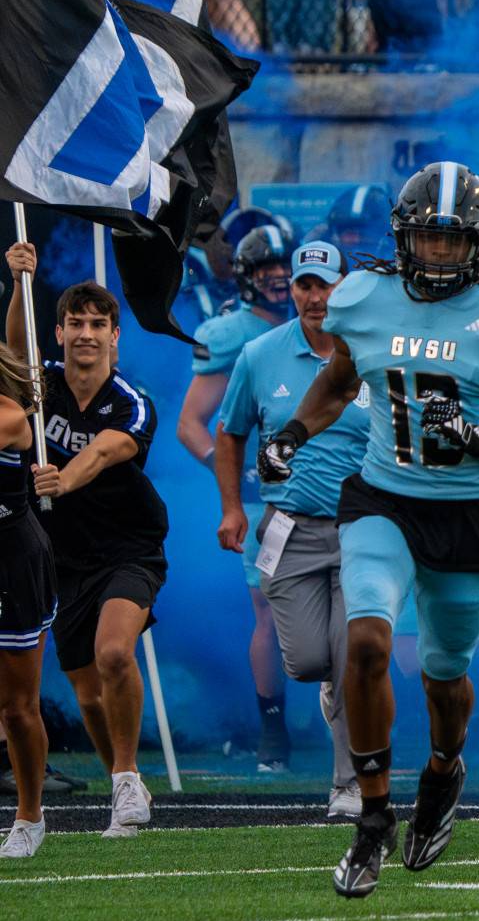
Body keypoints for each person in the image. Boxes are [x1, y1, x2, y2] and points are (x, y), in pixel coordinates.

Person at [258, 162, 479, 898]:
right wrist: (294, 432)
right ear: (404, 238)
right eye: (426, 239)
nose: (437, 255)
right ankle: (371, 816)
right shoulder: (364, 299)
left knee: (446, 678)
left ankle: (445, 769)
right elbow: (336, 380)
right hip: (382, 497)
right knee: (365, 639)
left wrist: (477, 440)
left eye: (453, 242)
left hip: (464, 513)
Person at [4, 254, 167, 838]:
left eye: (98, 325)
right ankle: (123, 780)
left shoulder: (132, 400)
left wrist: (62, 480)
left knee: (115, 655)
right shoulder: (41, 383)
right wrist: (21, 283)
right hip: (58, 558)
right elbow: (12, 359)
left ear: (115, 337)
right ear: (61, 331)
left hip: (128, 548)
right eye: (76, 323)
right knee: (89, 696)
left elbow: (104, 451)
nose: (86, 334)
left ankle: (126, 779)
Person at [215, 240, 373, 818]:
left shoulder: (372, 356)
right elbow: (229, 434)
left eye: (325, 285)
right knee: (308, 661)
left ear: (345, 289)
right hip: (288, 525)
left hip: (363, 527)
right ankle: (332, 687)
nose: (315, 296)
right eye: (306, 285)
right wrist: (233, 508)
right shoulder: (259, 355)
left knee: (350, 651)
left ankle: (346, 784)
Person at [178, 224, 295, 773]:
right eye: (266, 267)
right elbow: (191, 424)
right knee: (267, 613)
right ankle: (274, 733)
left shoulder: (322, 324)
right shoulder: (230, 335)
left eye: (285, 265)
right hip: (260, 497)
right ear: (248, 277)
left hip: (325, 490)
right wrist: (231, 470)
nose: (278, 276)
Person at [0, 344, 56, 858]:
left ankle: (29, 816)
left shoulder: (12, 416)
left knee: (17, 708)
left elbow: (20, 342)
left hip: (11, 560)